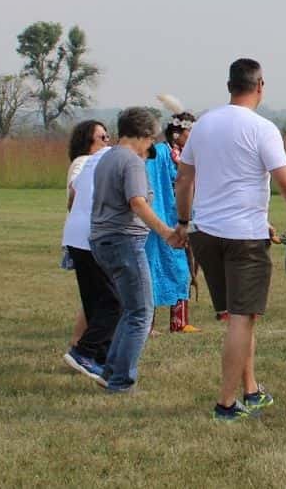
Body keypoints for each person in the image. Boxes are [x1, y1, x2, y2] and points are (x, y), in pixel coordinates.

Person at [173, 58, 286, 422]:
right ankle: (226, 403)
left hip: (205, 233)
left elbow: (184, 180)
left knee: (238, 317)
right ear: (260, 86)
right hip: (244, 236)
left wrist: (182, 223)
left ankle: (251, 389)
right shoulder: (263, 129)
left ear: (229, 86)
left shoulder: (204, 125)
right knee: (242, 317)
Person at [88, 107, 180, 393]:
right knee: (141, 312)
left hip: (102, 240)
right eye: (150, 139)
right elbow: (138, 203)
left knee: (130, 310)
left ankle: (110, 371)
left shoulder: (107, 157)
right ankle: (121, 381)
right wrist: (166, 232)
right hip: (124, 241)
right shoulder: (131, 162)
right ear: (141, 135)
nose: (150, 145)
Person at [61, 120, 112, 384]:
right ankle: (83, 348)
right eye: (101, 137)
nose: (107, 141)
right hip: (87, 238)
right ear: (87, 141)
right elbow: (73, 195)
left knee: (94, 299)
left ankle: (97, 355)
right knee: (108, 299)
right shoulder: (83, 162)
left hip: (85, 237)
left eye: (107, 136)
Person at [146, 109, 198, 334]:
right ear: (177, 133)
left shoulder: (184, 156)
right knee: (150, 271)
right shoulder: (158, 153)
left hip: (177, 219)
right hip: (157, 220)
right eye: (190, 132)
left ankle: (179, 322)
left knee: (180, 270)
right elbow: (149, 183)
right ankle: (146, 324)